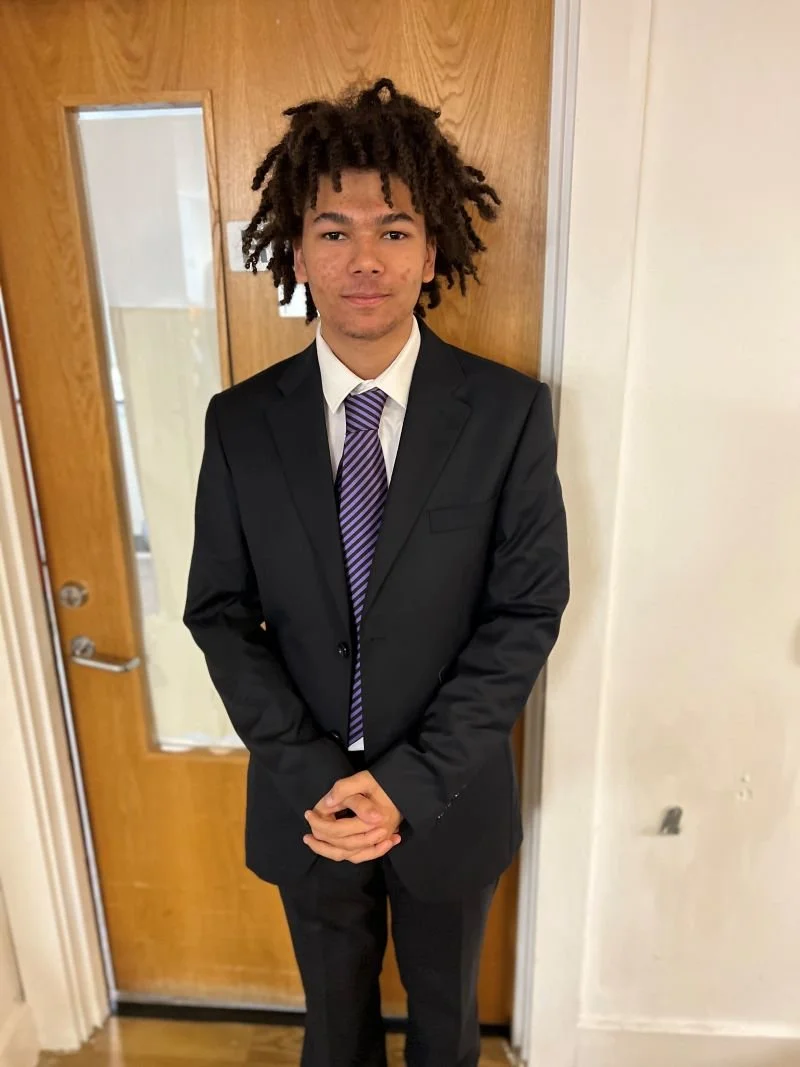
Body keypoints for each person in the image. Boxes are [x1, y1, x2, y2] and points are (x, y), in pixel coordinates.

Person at [183, 76, 569, 1067]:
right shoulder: (240, 423)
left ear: (431, 251)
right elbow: (219, 611)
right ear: (296, 250)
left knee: (445, 1033)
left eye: (393, 231)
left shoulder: (507, 413)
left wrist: (407, 781)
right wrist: (317, 774)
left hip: (446, 795)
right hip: (302, 799)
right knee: (333, 1030)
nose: (364, 258)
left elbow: (523, 608)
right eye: (334, 229)